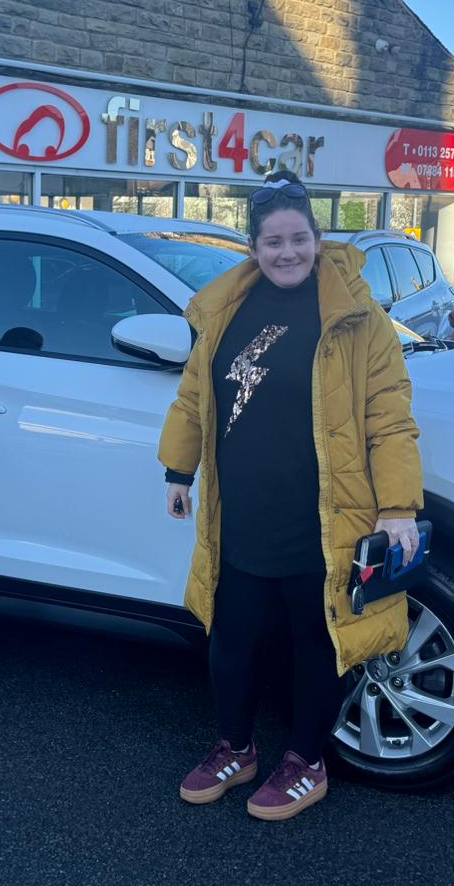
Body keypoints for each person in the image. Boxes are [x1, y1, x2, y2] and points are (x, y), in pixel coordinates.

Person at [159, 169, 422, 821]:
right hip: (241, 510)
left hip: (325, 516)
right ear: (254, 247)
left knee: (317, 638)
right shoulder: (224, 310)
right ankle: (236, 748)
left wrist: (396, 508)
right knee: (232, 637)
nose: (286, 252)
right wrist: (177, 470)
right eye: (272, 241)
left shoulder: (361, 321)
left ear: (317, 238)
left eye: (297, 238)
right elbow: (196, 395)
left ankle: (307, 760)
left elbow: (390, 419)